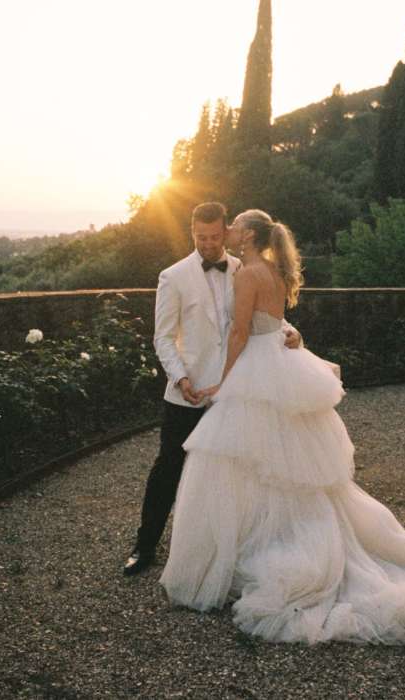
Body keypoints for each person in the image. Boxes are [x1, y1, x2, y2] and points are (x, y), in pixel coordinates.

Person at [159, 209, 405, 644]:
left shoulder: (246, 273)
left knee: (254, 462)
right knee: (282, 463)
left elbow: (240, 334)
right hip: (277, 365)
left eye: (234, 227)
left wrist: (223, 382)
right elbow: (272, 323)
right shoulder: (272, 269)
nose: (226, 233)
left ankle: (264, 547)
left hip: (255, 368)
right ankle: (268, 539)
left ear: (246, 236)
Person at [124, 202, 301, 576]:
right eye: (200, 237)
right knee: (168, 466)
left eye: (214, 237)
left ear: (227, 233)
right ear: (192, 233)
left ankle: (225, 551)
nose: (207, 244)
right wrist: (180, 378)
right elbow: (163, 337)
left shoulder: (244, 267)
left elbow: (266, 318)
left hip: (238, 388)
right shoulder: (172, 276)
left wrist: (292, 332)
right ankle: (145, 544)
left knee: (235, 472)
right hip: (190, 390)